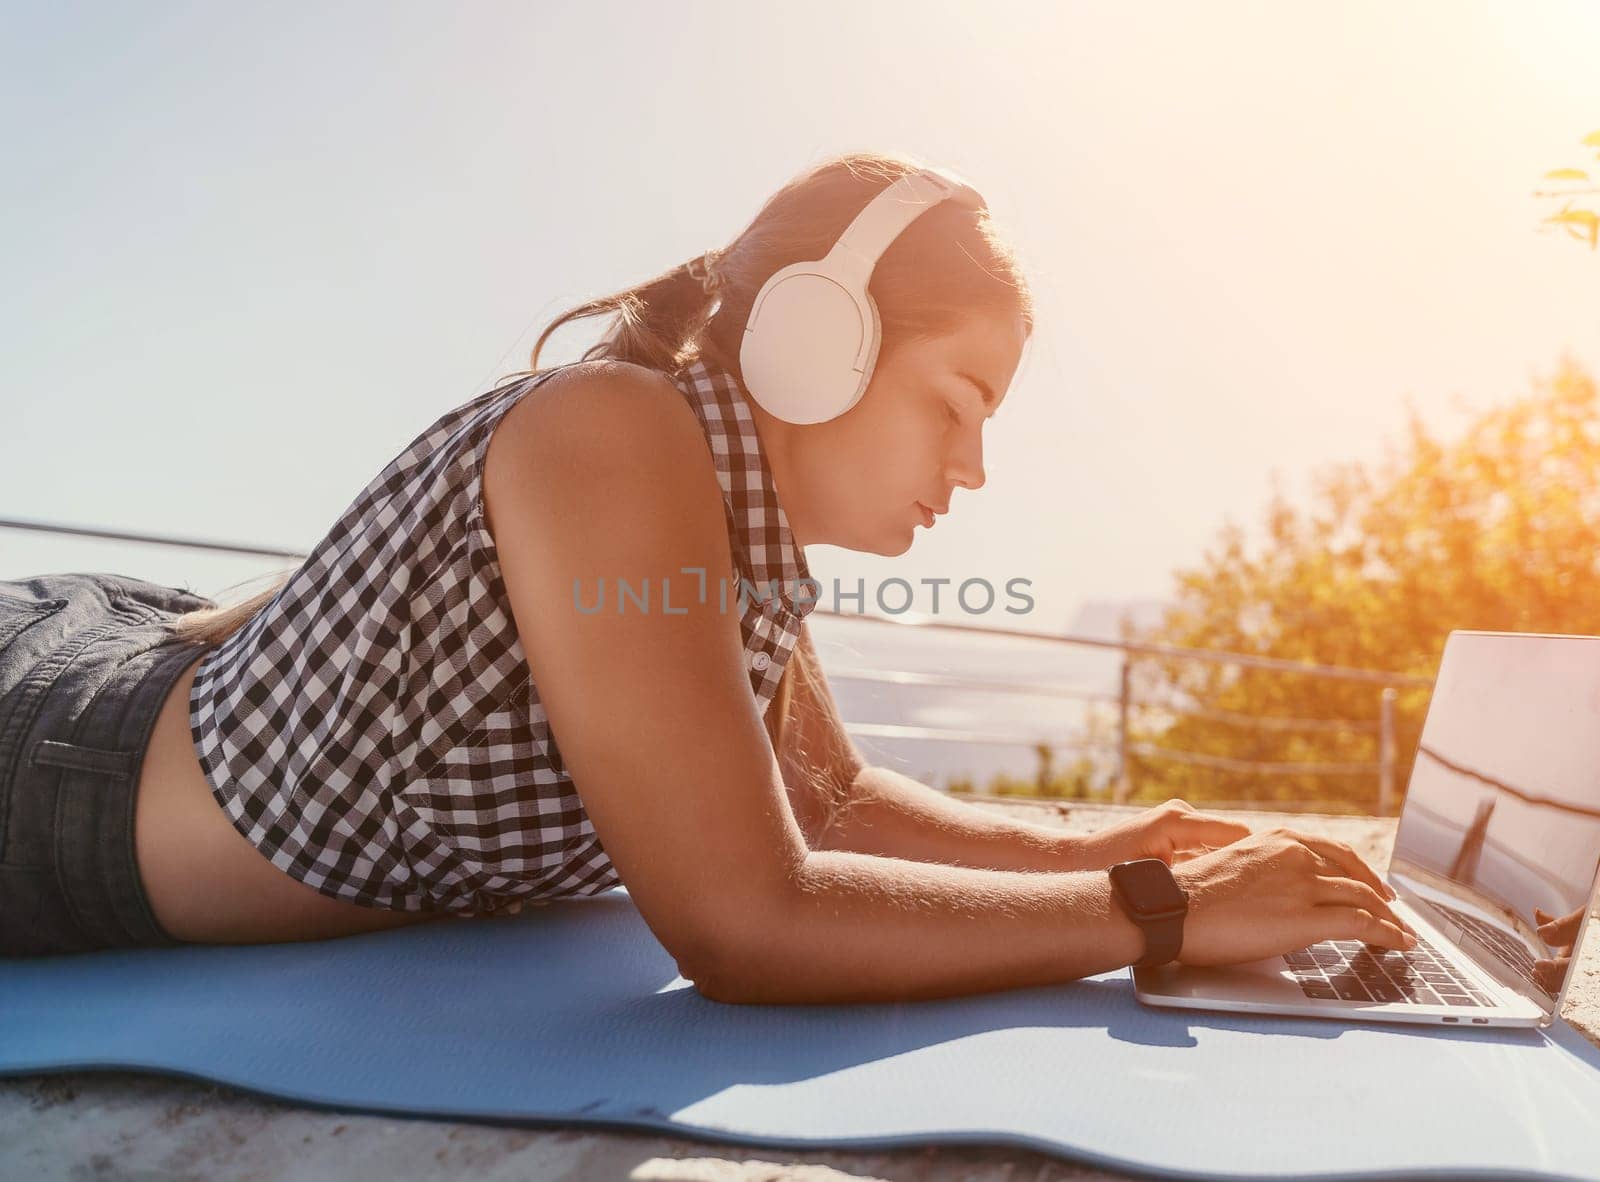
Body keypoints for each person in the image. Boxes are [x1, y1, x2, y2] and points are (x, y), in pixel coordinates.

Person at [0, 152, 1418, 1001]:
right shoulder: (617, 432)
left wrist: (1108, 851)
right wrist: (1161, 917)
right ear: (826, 343)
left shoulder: (735, 525)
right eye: (957, 401)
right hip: (48, 756)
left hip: (149, 661)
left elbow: (834, 799)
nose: (976, 466)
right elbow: (752, 920)